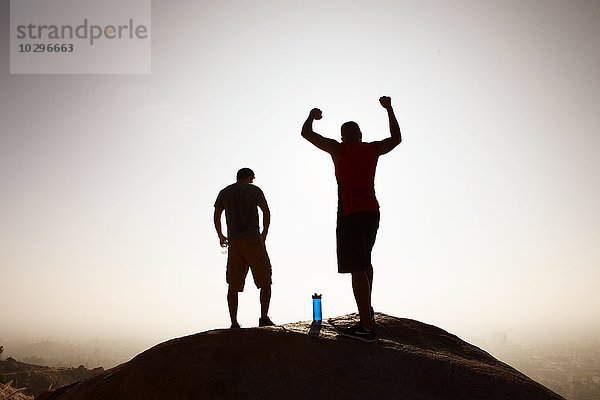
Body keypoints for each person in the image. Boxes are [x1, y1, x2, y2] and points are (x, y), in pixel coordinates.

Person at [301, 96, 401, 342]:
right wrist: (389, 109)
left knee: (356, 266)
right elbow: (396, 138)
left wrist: (312, 117)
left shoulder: (338, 148)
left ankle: (366, 326)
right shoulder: (371, 148)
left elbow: (306, 133)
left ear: (344, 136)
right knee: (365, 262)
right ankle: (368, 313)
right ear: (360, 134)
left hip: (350, 212)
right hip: (372, 211)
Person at [214, 167, 275, 329]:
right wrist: (264, 233)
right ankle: (263, 317)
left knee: (233, 284)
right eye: (252, 178)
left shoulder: (225, 192)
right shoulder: (254, 190)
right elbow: (266, 212)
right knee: (265, 280)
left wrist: (220, 235)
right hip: (253, 239)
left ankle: (234, 322)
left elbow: (216, 214)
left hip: (235, 243)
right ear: (249, 177)